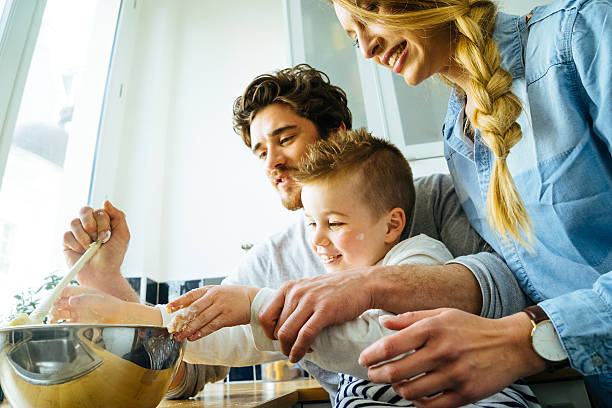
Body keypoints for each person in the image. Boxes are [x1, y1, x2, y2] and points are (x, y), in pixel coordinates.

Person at [56, 65, 528, 401]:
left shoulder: (432, 204)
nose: (272, 161)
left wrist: (261, 306)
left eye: (284, 138)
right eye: (260, 151)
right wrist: (117, 298)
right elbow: (189, 369)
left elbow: (508, 297)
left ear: (337, 134)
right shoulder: (266, 262)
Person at [257, 1, 612, 406]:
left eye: (371, 9)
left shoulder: (580, 37)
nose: (368, 50)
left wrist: (523, 340)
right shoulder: (457, 138)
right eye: (355, 38)